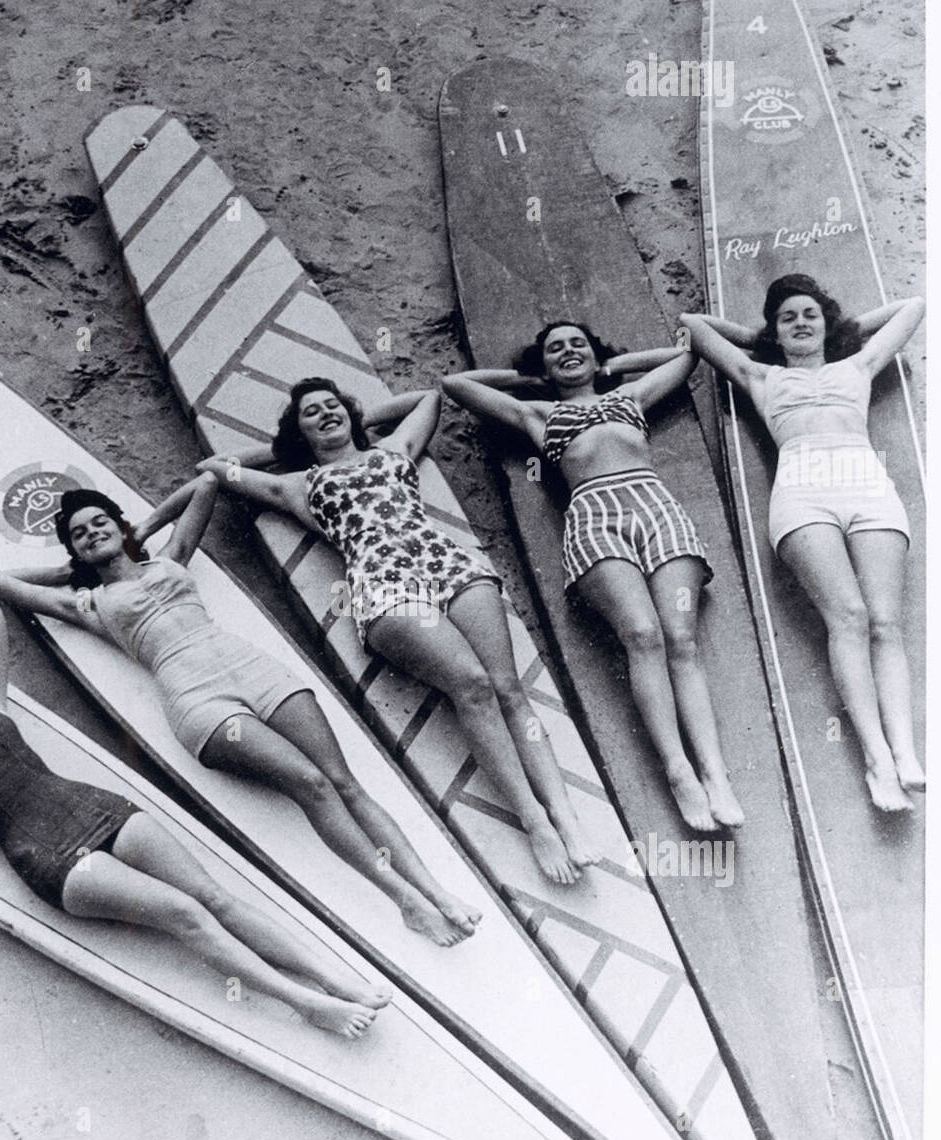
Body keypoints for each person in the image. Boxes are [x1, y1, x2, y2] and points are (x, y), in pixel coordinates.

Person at [0, 602, 390, 1037]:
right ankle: (307, 1005)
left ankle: (331, 977)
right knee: (184, 914)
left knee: (214, 896)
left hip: (97, 806)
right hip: (49, 858)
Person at [0, 479, 480, 945]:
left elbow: (205, 485)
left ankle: (435, 891)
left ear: (119, 523)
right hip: (199, 700)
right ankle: (406, 901)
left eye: (99, 523)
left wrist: (139, 531)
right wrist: (69, 569)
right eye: (79, 535)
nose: (91, 533)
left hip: (253, 669)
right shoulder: (87, 602)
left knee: (345, 783)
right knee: (310, 785)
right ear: (75, 551)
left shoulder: (171, 559)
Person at [197, 381, 599, 885]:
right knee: (471, 687)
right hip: (385, 584)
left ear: (351, 412)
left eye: (333, 405)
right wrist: (281, 452)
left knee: (509, 688)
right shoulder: (298, 483)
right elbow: (216, 468)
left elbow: (429, 397)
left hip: (446, 563)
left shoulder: (394, 449)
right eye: (310, 414)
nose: (326, 414)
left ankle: (565, 813)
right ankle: (535, 821)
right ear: (298, 434)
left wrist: (362, 420)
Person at [442, 324, 743, 834]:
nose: (568, 352)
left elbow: (686, 356)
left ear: (594, 353)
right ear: (544, 364)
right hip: (594, 515)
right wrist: (530, 375)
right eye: (555, 348)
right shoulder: (537, 413)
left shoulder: (628, 395)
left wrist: (610, 367)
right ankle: (678, 770)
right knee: (642, 636)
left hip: (656, 508)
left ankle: (716, 776)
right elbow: (458, 384)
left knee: (682, 639)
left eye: (577, 343)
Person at [680, 275, 925, 812]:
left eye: (809, 314)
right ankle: (876, 758)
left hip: (866, 484)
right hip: (802, 492)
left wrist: (840, 327)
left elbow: (914, 308)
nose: (800, 323)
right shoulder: (760, 374)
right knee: (850, 618)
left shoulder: (856, 366)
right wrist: (757, 334)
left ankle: (906, 750)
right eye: (787, 317)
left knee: (886, 622)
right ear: (774, 330)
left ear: (826, 321)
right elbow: (694, 327)